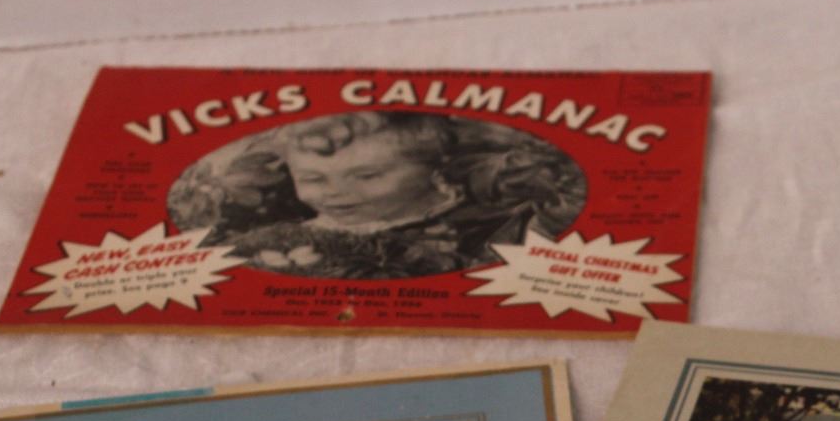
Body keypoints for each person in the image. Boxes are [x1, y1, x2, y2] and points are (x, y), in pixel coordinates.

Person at [187, 111, 585, 279]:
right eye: (313, 178)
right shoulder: (275, 240)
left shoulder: (495, 223)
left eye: (366, 175)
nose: (336, 193)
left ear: (432, 168)